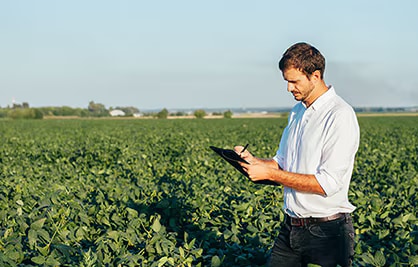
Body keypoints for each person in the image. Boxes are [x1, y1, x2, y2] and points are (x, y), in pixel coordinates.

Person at [235, 42, 360, 267]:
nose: (289, 88)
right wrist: (254, 162)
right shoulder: (297, 112)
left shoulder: (339, 115)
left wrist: (270, 175)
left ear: (315, 76)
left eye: (294, 81)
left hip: (327, 233)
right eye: (287, 81)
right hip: (290, 228)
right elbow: (282, 164)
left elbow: (327, 184)